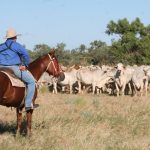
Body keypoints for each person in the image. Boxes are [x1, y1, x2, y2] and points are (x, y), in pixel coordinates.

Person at [0, 28, 36, 111]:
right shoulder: (17, 45)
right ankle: (28, 104)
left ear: (7, 38)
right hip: (13, 68)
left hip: (1, 68)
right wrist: (25, 65)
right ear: (15, 37)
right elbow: (26, 55)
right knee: (31, 82)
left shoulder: (1, 46)